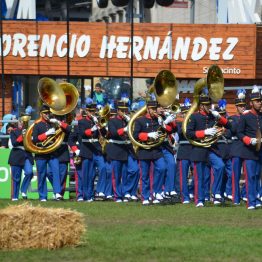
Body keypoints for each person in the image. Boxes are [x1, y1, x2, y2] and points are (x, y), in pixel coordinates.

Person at [133, 100, 169, 205]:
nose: (154, 111)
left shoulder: (159, 120)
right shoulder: (140, 121)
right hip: (144, 150)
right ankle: (146, 197)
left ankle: (157, 192)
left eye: (155, 108)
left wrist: (164, 123)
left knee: (162, 168)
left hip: (157, 149)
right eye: (152, 109)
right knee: (145, 175)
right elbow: (135, 135)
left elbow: (167, 132)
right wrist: (148, 135)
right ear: (148, 109)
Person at [237, 85, 262, 209]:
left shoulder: (261, 116)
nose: (260, 103)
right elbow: (239, 133)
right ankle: (251, 202)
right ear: (251, 103)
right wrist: (248, 140)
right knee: (251, 176)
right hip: (248, 151)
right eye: (257, 101)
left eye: (260, 101)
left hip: (259, 151)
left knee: (258, 176)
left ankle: (257, 199)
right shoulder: (245, 116)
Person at [32, 105, 62, 201]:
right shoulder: (37, 124)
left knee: (56, 171)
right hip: (41, 151)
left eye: (48, 113)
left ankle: (57, 192)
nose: (47, 115)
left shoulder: (52, 123)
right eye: (45, 113)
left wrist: (57, 123)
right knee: (41, 174)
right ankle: (43, 196)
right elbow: (35, 139)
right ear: (41, 114)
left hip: (52, 151)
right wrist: (46, 134)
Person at [8, 113, 34, 200]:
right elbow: (14, 143)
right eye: (22, 122)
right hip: (16, 155)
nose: (23, 123)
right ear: (19, 122)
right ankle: (15, 197)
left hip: (27, 155)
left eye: (25, 122)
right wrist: (22, 136)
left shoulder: (30, 131)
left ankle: (23, 190)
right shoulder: (14, 131)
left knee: (30, 173)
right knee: (16, 178)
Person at [229, 89, 247, 205]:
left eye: (243, 105)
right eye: (240, 106)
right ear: (236, 107)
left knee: (248, 174)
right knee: (235, 175)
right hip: (236, 148)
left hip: (246, 148)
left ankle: (245, 195)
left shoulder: (248, 117)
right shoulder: (232, 118)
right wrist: (243, 119)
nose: (242, 108)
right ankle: (235, 198)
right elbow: (233, 130)